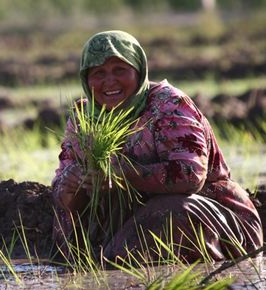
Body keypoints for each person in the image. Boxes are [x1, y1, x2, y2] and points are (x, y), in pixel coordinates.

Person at [51, 30, 263, 264]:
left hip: (215, 218)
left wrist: (124, 173)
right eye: (98, 73)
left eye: (119, 70)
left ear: (139, 70)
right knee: (67, 222)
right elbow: (65, 194)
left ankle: (112, 261)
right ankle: (101, 260)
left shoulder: (168, 105)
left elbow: (191, 175)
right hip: (125, 223)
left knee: (168, 211)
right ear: (86, 78)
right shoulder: (84, 117)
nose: (109, 81)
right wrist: (73, 184)